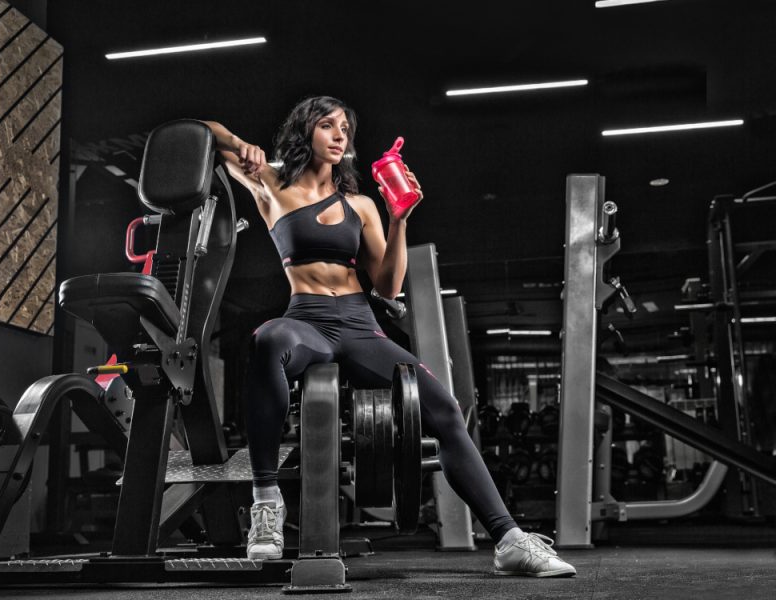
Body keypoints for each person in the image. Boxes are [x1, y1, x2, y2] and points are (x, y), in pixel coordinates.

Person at [201, 96, 576, 577]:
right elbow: (204, 129)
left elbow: (388, 285)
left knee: (443, 410)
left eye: (346, 129)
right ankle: (266, 503)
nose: (340, 135)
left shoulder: (360, 205)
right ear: (304, 132)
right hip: (306, 321)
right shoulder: (271, 184)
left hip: (360, 326)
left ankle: (508, 539)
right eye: (328, 125)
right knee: (268, 340)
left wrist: (399, 217)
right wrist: (242, 145)